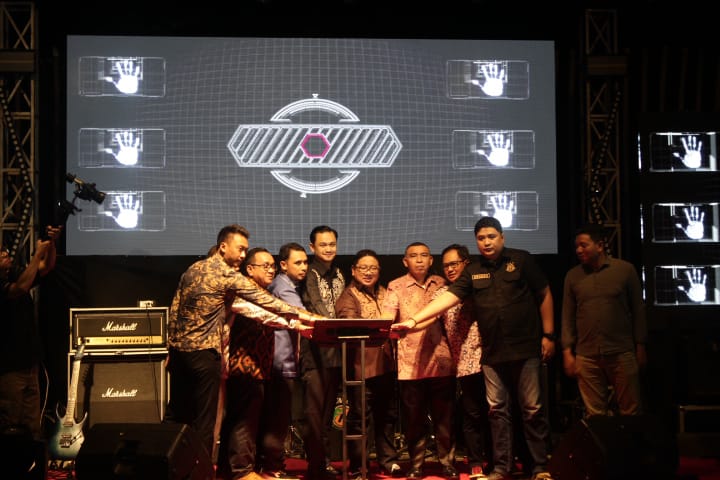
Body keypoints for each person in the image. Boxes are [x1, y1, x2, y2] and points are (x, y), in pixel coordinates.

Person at [393, 217, 555, 480]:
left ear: (502, 237)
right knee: (496, 411)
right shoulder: (473, 271)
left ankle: (539, 466)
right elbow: (446, 299)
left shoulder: (521, 259)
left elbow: (544, 293)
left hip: (525, 348)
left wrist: (549, 334)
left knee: (531, 409)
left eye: (491, 236)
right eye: (481, 238)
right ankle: (501, 468)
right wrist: (412, 321)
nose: (486, 242)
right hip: (492, 354)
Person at [164, 224, 321, 462]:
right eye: (240, 249)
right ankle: (202, 472)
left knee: (175, 414)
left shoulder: (192, 268)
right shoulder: (227, 275)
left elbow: (175, 309)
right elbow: (265, 303)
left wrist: (171, 347)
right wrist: (306, 317)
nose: (242, 255)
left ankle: (164, 465)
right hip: (205, 355)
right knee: (205, 421)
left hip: (180, 353)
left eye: (245, 250)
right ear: (222, 247)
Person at [219, 247, 313, 480]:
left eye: (272, 265)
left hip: (260, 368)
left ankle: (233, 468)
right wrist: (299, 322)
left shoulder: (263, 292)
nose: (271, 270)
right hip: (243, 367)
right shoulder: (244, 290)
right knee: (244, 421)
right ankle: (241, 471)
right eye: (265, 266)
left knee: (249, 420)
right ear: (250, 269)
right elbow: (265, 315)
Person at [383, 242, 458, 480]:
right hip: (410, 364)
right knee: (414, 419)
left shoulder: (442, 283)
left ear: (431, 260)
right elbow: (387, 319)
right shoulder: (395, 286)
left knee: (445, 418)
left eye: (424, 255)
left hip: (441, 361)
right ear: (405, 261)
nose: (419, 260)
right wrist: (389, 329)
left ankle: (447, 463)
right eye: (413, 256)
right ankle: (416, 465)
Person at [561, 223, 647, 417]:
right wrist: (567, 352)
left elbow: (638, 310)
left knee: (631, 411)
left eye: (584, 245)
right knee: (595, 415)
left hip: (621, 351)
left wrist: (641, 346)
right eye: (576, 246)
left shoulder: (625, 270)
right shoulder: (573, 276)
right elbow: (567, 315)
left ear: (599, 245)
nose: (578, 250)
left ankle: (629, 439)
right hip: (587, 355)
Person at [334, 249, 401, 479]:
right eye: (363, 267)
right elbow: (350, 325)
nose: (368, 272)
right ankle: (358, 465)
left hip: (388, 365)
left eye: (373, 268)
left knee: (388, 416)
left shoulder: (386, 293)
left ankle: (387, 460)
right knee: (359, 418)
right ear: (353, 270)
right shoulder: (348, 296)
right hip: (361, 367)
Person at [0, 226, 62, 439]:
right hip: (9, 368)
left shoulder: (15, 273)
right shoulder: (5, 283)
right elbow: (20, 289)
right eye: (0, 253)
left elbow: (46, 267)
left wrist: (51, 243)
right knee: (10, 424)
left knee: (32, 425)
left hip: (30, 363)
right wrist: (36, 254)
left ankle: (33, 458)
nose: (5, 253)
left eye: (5, 250)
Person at [436, 244, 492, 479]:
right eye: (446, 266)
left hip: (491, 358)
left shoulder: (481, 286)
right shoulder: (443, 293)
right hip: (465, 363)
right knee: (472, 413)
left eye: (454, 264)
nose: (450, 269)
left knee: (496, 412)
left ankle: (499, 461)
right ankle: (475, 462)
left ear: (466, 263)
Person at [300, 226, 346, 480]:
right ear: (312, 247)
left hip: (337, 352)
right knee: (314, 413)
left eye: (332, 244)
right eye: (323, 245)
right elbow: (315, 306)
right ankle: (316, 466)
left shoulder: (338, 273)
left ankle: (324, 462)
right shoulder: (310, 273)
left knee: (328, 412)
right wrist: (337, 328)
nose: (329, 249)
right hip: (315, 351)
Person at [263, 242, 311, 480]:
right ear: (283, 265)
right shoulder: (283, 286)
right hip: (280, 362)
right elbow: (302, 314)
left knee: (278, 417)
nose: (304, 267)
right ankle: (273, 467)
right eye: (298, 262)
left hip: (284, 361)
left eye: (305, 262)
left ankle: (272, 465)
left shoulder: (290, 285)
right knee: (278, 419)